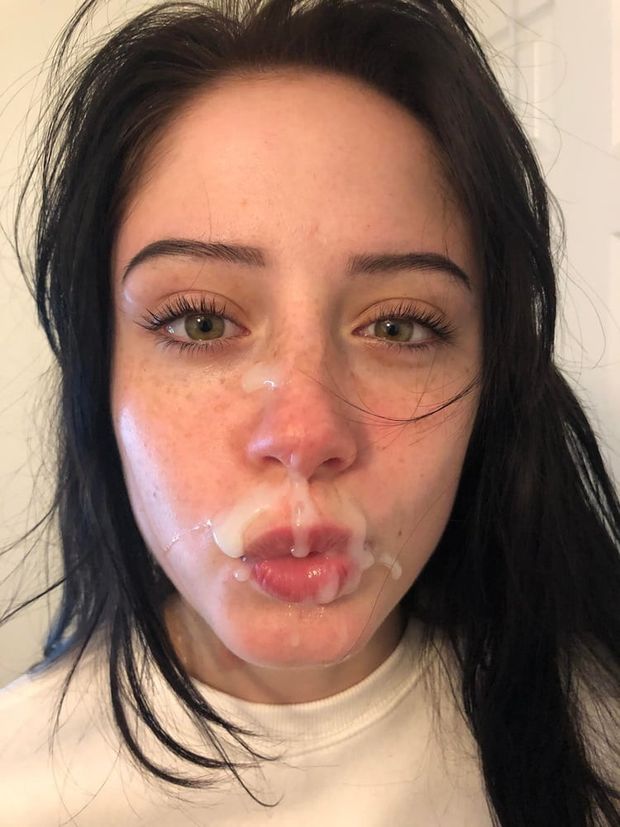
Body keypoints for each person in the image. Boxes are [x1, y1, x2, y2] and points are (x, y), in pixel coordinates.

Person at [0, 0, 618, 824]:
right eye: (200, 321)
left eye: (399, 327)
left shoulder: (599, 744)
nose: (304, 434)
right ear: (101, 380)